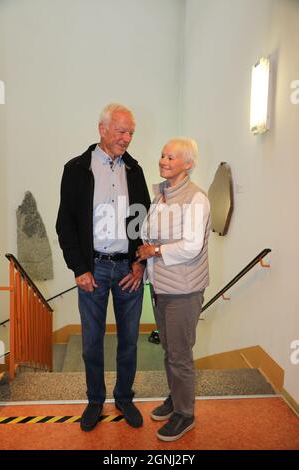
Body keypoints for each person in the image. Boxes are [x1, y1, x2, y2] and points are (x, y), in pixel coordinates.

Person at [56, 103, 151, 431]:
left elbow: (142, 222)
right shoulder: (76, 169)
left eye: (131, 133)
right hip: (92, 270)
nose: (127, 138)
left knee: (129, 341)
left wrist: (139, 265)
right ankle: (95, 401)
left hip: (128, 271)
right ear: (103, 129)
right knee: (93, 341)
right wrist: (79, 268)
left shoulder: (134, 170)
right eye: (122, 131)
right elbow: (65, 224)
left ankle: (124, 398)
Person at [136, 138, 210, 441]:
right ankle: (176, 398)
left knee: (180, 354)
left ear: (187, 164)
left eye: (171, 157)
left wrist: (152, 252)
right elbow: (148, 232)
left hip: (183, 288)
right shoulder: (162, 194)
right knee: (169, 350)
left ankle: (185, 414)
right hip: (162, 286)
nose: (163, 161)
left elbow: (191, 247)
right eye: (163, 155)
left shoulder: (196, 199)